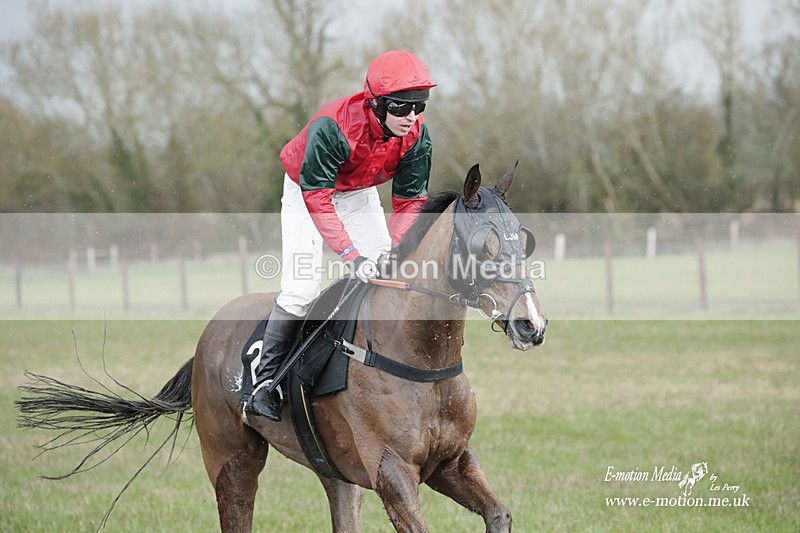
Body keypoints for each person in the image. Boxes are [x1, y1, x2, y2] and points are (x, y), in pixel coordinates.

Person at [243, 50, 437, 421]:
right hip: (308, 190)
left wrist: (390, 252)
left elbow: (410, 200)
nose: (410, 116)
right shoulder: (333, 126)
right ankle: (264, 382)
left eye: (419, 105)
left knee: (386, 273)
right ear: (376, 103)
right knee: (301, 290)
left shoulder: (415, 134)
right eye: (400, 106)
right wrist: (351, 255)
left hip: (358, 192)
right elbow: (317, 198)